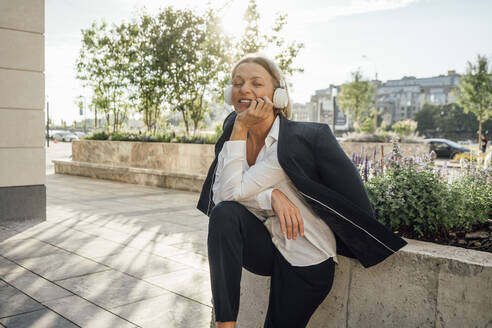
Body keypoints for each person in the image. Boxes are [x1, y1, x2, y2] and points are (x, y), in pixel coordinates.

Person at [196, 54, 407, 328]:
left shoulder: (293, 141)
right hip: (267, 247)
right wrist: (271, 197)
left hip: (306, 258)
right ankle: (226, 325)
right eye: (237, 83)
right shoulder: (234, 130)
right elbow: (222, 196)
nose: (245, 89)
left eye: (256, 83)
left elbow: (234, 190)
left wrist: (266, 194)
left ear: (279, 95)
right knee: (225, 215)